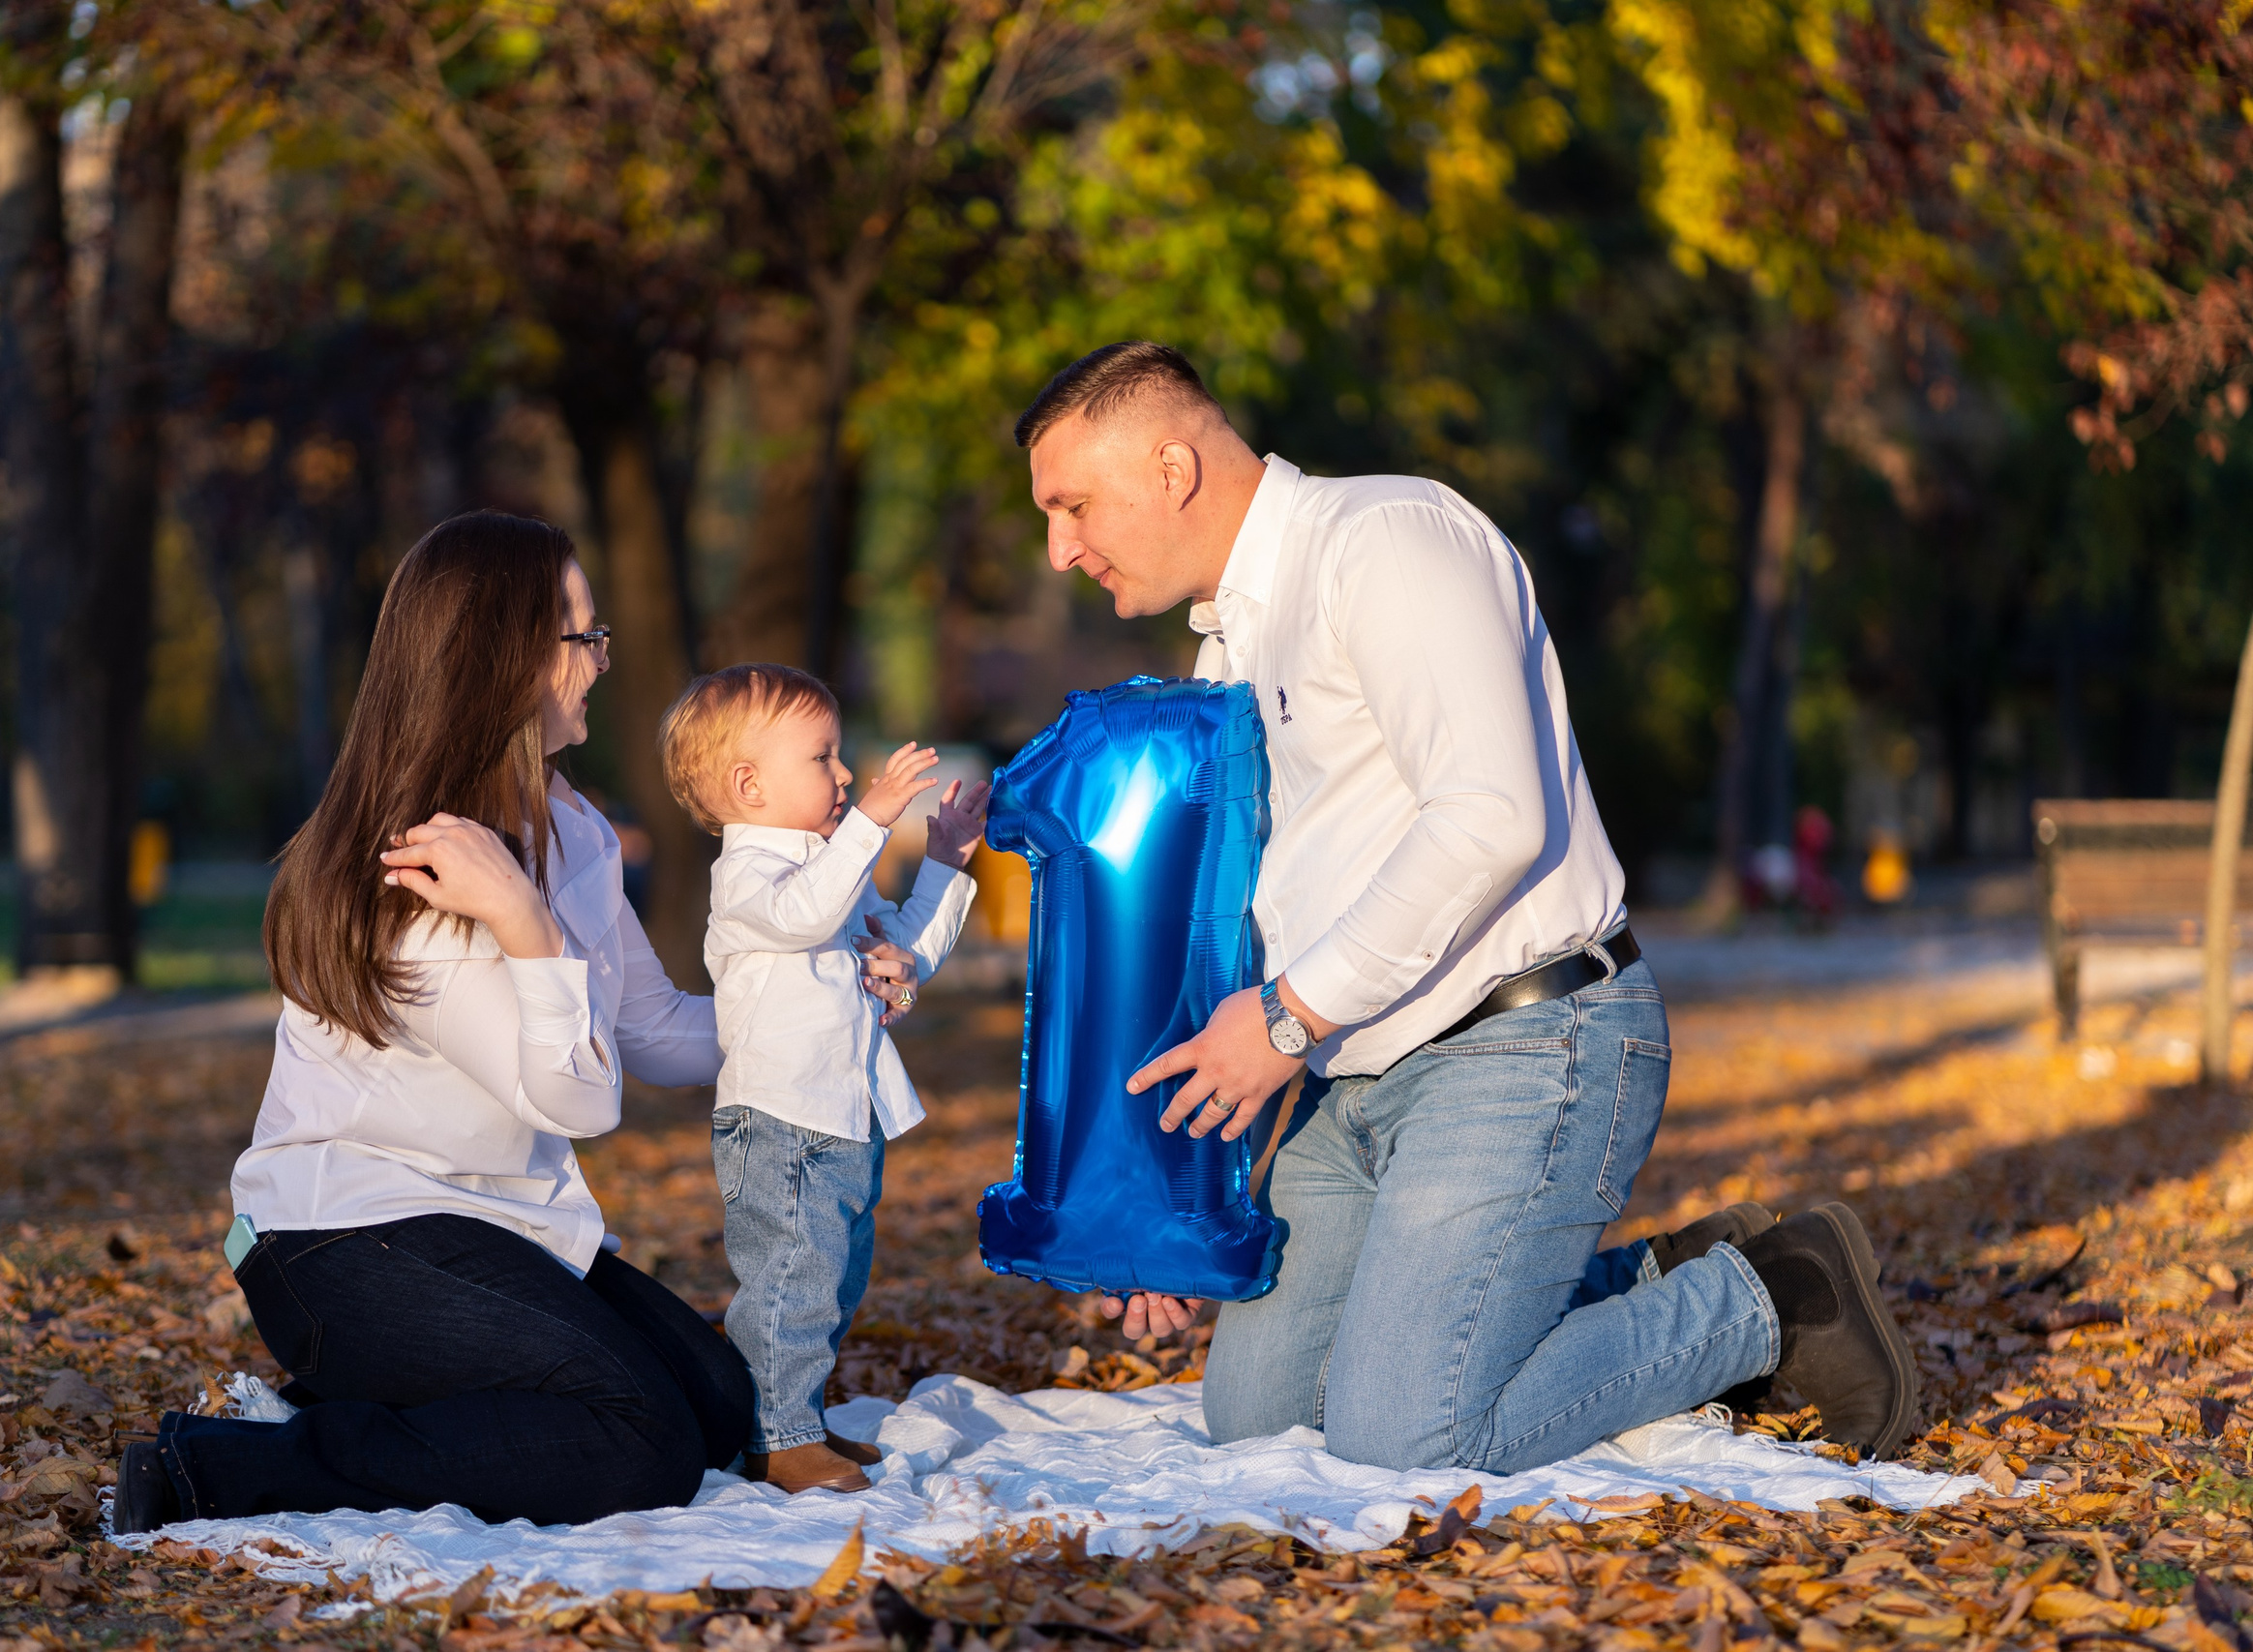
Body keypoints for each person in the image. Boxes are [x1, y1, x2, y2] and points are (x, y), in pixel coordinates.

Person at [1014, 343, 1920, 1470]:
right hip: (1347, 1088)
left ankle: (1772, 1297)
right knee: (1258, 1421)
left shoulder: (1385, 542)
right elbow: (1256, 918)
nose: (1060, 548)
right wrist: (1164, 1212)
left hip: (1527, 1041)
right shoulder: (1227, 649)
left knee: (1411, 1433)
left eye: (1071, 505)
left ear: (1170, 468)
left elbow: (1491, 816)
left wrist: (1289, 1017)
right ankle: (1633, 1284)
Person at [110, 512, 923, 1532]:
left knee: (720, 1405)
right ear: (504, 659)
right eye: (581, 637)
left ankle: (424, 1402)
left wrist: (828, 999)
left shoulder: (571, 824)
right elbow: (580, 1101)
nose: (602, 661)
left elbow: (658, 1023)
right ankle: (217, 1467)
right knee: (641, 1444)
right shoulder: (419, 867)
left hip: (495, 1226)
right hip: (346, 1244)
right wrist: (525, 923)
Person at [658, 665, 988, 1493]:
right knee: (790, 1278)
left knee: (831, 1277)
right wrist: (872, 821)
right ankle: (777, 1436)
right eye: (824, 757)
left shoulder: (828, 868)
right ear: (749, 783)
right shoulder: (747, 877)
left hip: (843, 1116)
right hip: (780, 1120)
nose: (845, 775)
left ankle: (796, 1417)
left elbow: (903, 946)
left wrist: (943, 864)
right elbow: (804, 911)